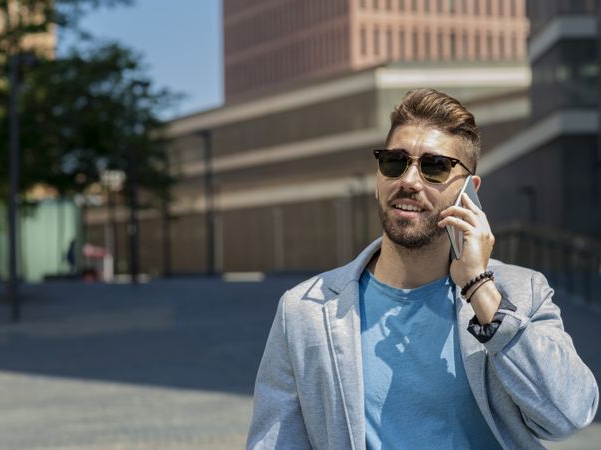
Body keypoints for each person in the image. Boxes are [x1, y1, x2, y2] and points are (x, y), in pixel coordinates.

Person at [246, 89, 598, 449]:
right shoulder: (305, 310)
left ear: (469, 190)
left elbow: (568, 416)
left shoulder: (523, 292)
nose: (409, 181)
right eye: (395, 162)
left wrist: (480, 289)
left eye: (434, 167)